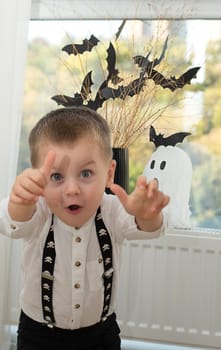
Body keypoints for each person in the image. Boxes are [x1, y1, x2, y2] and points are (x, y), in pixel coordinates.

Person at [0, 106, 169, 350]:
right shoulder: (38, 210)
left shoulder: (113, 211)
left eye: (86, 173)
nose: (72, 190)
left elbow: (148, 229)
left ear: (109, 173)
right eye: (56, 177)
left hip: (100, 334)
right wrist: (20, 201)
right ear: (38, 177)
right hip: (38, 333)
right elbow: (13, 224)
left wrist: (147, 215)